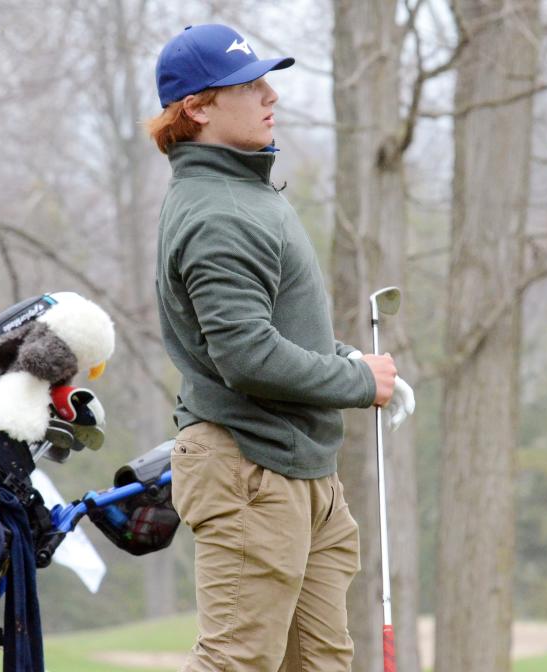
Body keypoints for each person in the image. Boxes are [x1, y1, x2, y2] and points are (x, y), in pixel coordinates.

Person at [146, 23, 413, 671]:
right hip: (251, 473)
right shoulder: (218, 214)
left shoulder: (246, 193)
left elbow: (273, 332)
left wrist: (345, 357)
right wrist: (357, 383)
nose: (271, 96)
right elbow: (247, 358)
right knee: (236, 661)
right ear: (198, 108)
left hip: (299, 472)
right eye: (249, 85)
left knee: (320, 663)